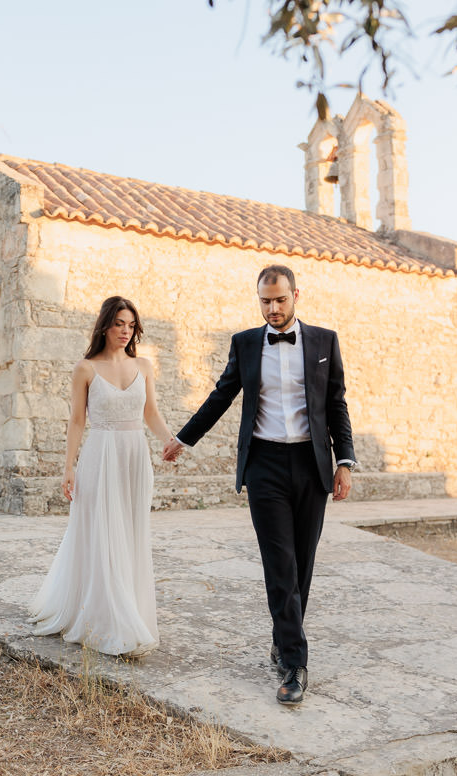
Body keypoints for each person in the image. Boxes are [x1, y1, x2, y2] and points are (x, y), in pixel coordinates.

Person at [163, 265, 356, 704]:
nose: (272, 309)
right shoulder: (245, 343)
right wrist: (183, 438)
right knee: (280, 566)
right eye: (265, 301)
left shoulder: (324, 341)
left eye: (280, 300)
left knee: (302, 564)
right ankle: (294, 663)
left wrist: (344, 461)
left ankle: (282, 636)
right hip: (264, 464)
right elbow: (221, 395)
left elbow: (336, 403)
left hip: (311, 464)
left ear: (295, 296)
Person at [28, 296, 174, 658]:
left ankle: (130, 609)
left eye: (131, 325)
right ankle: (107, 617)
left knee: (130, 532)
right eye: (119, 324)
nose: (125, 331)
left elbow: (151, 413)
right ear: (105, 325)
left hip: (134, 456)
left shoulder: (144, 366)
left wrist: (171, 440)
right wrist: (68, 467)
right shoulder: (85, 369)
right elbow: (77, 420)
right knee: (102, 534)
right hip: (100, 455)